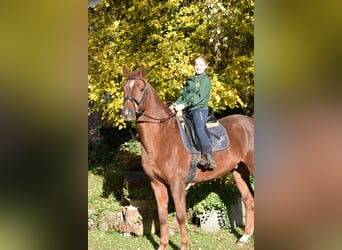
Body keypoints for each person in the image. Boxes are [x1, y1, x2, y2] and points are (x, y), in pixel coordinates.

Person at [170, 55, 216, 169]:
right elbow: (183, 95)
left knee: (199, 128)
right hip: (188, 110)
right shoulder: (190, 80)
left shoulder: (206, 80)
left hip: (199, 109)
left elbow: (198, 97)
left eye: (201, 65)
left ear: (206, 66)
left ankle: (209, 156)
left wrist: (184, 105)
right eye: (196, 65)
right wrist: (175, 104)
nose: (198, 67)